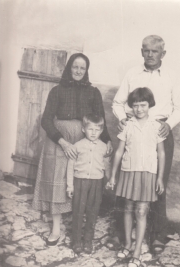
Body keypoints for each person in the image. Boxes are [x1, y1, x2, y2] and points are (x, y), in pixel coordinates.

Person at [112, 35, 180, 254]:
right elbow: (118, 103)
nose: (150, 54)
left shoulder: (172, 76)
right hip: (134, 131)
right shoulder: (132, 74)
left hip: (160, 131)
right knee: (129, 180)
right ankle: (122, 234)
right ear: (141, 51)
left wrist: (169, 125)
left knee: (157, 182)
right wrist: (122, 119)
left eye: (155, 51)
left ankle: (157, 236)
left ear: (163, 54)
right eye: (146, 50)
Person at [32, 53, 113, 247]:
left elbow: (99, 118)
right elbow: (46, 120)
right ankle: (56, 228)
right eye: (75, 67)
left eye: (82, 68)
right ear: (69, 68)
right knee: (57, 183)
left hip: (84, 141)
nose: (78, 71)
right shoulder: (57, 91)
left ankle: (78, 225)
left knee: (80, 181)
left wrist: (107, 140)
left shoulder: (93, 92)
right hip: (59, 142)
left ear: (86, 71)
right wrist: (62, 141)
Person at [107, 87, 165, 267]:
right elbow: (119, 151)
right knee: (128, 208)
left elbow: (161, 154)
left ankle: (138, 250)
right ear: (131, 107)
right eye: (136, 105)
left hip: (147, 173)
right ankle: (127, 244)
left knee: (141, 211)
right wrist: (113, 175)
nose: (139, 109)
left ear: (150, 105)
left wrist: (160, 178)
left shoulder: (156, 126)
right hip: (128, 171)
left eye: (143, 105)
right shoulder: (127, 125)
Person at [66, 114, 108, 254]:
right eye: (90, 129)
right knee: (78, 211)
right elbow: (70, 165)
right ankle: (76, 240)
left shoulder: (104, 147)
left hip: (96, 183)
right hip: (80, 182)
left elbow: (105, 165)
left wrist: (107, 181)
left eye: (97, 129)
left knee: (92, 212)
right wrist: (70, 185)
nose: (94, 132)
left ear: (101, 130)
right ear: (83, 129)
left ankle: (88, 241)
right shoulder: (77, 146)